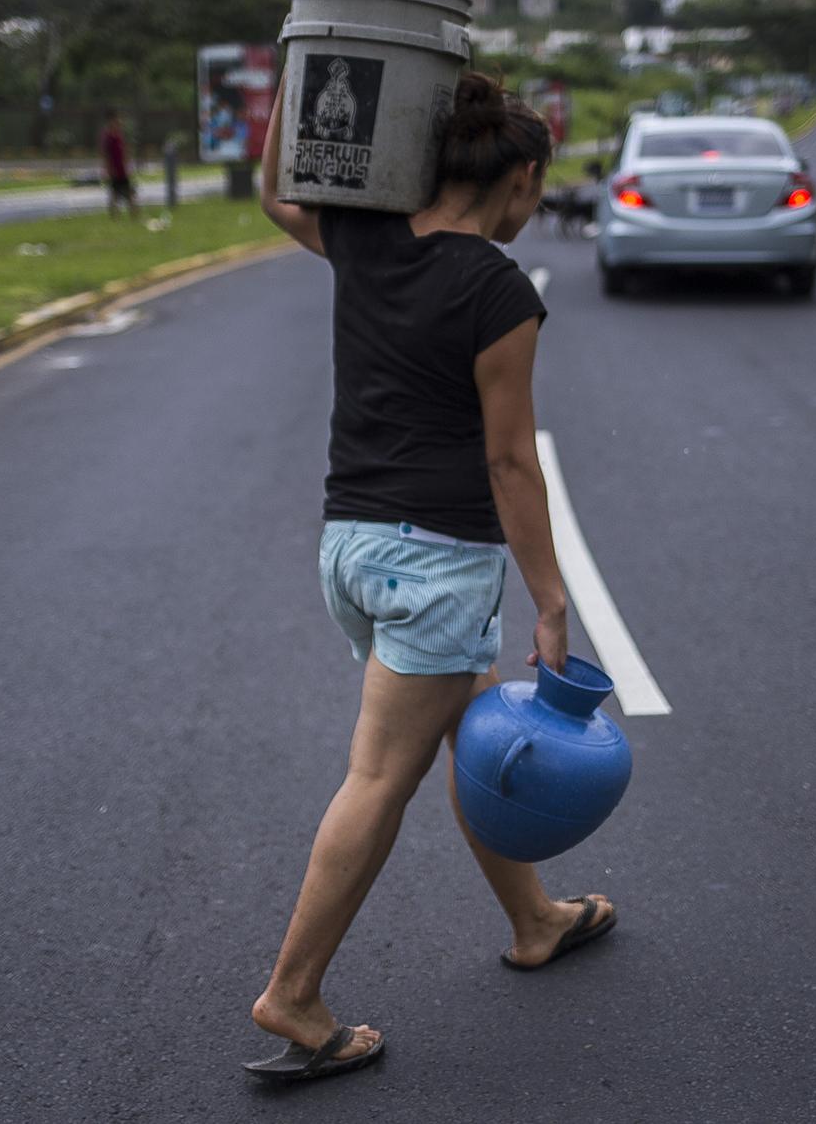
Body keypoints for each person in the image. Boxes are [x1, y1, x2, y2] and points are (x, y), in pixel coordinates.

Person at [246, 71, 615, 1083]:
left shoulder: (366, 239)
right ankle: (294, 994)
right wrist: (550, 598)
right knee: (380, 775)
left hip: (350, 549)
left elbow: (274, 191)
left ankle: (533, 916)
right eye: (534, 192)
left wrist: (297, 75)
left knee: (462, 723)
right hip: (433, 562)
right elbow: (508, 460)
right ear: (521, 176)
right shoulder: (497, 292)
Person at [99, 108, 138, 218]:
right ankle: (115, 216)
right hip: (114, 170)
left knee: (128, 193)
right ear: (111, 120)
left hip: (122, 170)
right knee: (115, 195)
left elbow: (124, 152)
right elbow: (105, 154)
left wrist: (128, 165)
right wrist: (108, 169)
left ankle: (133, 215)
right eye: (117, 119)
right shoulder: (107, 136)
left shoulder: (119, 135)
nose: (120, 121)